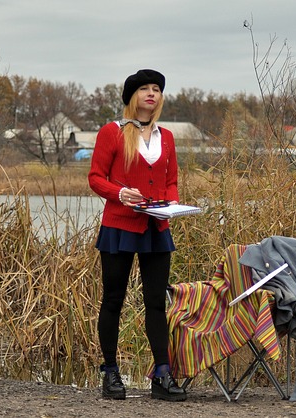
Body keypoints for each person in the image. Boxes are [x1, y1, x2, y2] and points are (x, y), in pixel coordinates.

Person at [88, 69, 186, 402]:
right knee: (113, 300)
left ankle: (162, 375)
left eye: (156, 89)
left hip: (157, 228)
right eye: (144, 88)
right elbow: (95, 178)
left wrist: (170, 200)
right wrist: (119, 193)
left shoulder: (168, 137)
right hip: (119, 226)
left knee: (156, 303)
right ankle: (111, 374)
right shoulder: (112, 132)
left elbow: (171, 179)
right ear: (132, 96)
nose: (151, 93)